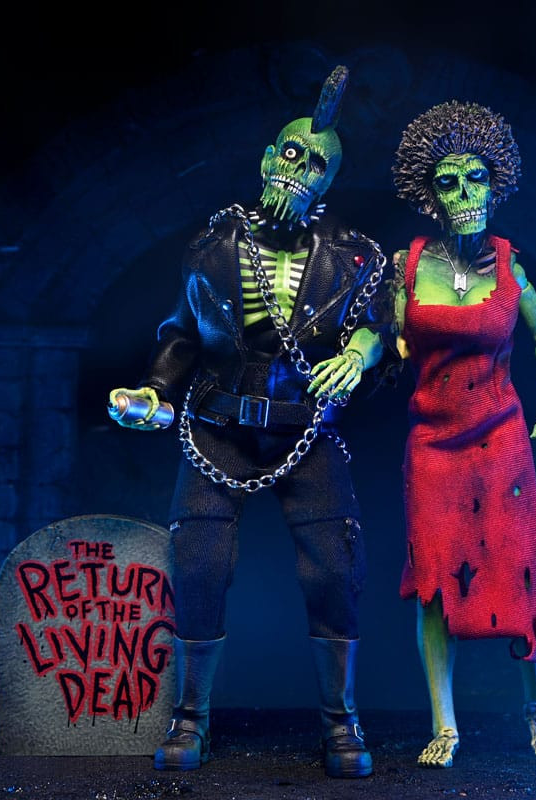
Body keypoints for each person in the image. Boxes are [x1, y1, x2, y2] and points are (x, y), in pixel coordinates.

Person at [108, 66, 389, 779]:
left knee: (336, 568)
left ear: (329, 183)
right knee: (199, 563)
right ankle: (190, 715)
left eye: (316, 163)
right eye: (290, 153)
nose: (298, 169)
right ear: (267, 159)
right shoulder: (212, 249)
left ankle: (340, 720)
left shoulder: (354, 258)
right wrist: (153, 392)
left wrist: (358, 352)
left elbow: (382, 324)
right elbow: (180, 334)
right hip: (218, 428)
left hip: (304, 430)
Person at [390, 100, 536, 767]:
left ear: (494, 184)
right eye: (448, 182)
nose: (464, 193)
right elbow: (390, 337)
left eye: (475, 178)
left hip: (500, 436)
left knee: (518, 563)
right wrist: (366, 351)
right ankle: (443, 725)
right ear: (430, 195)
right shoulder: (409, 266)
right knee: (434, 575)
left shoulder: (508, 268)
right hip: (433, 440)